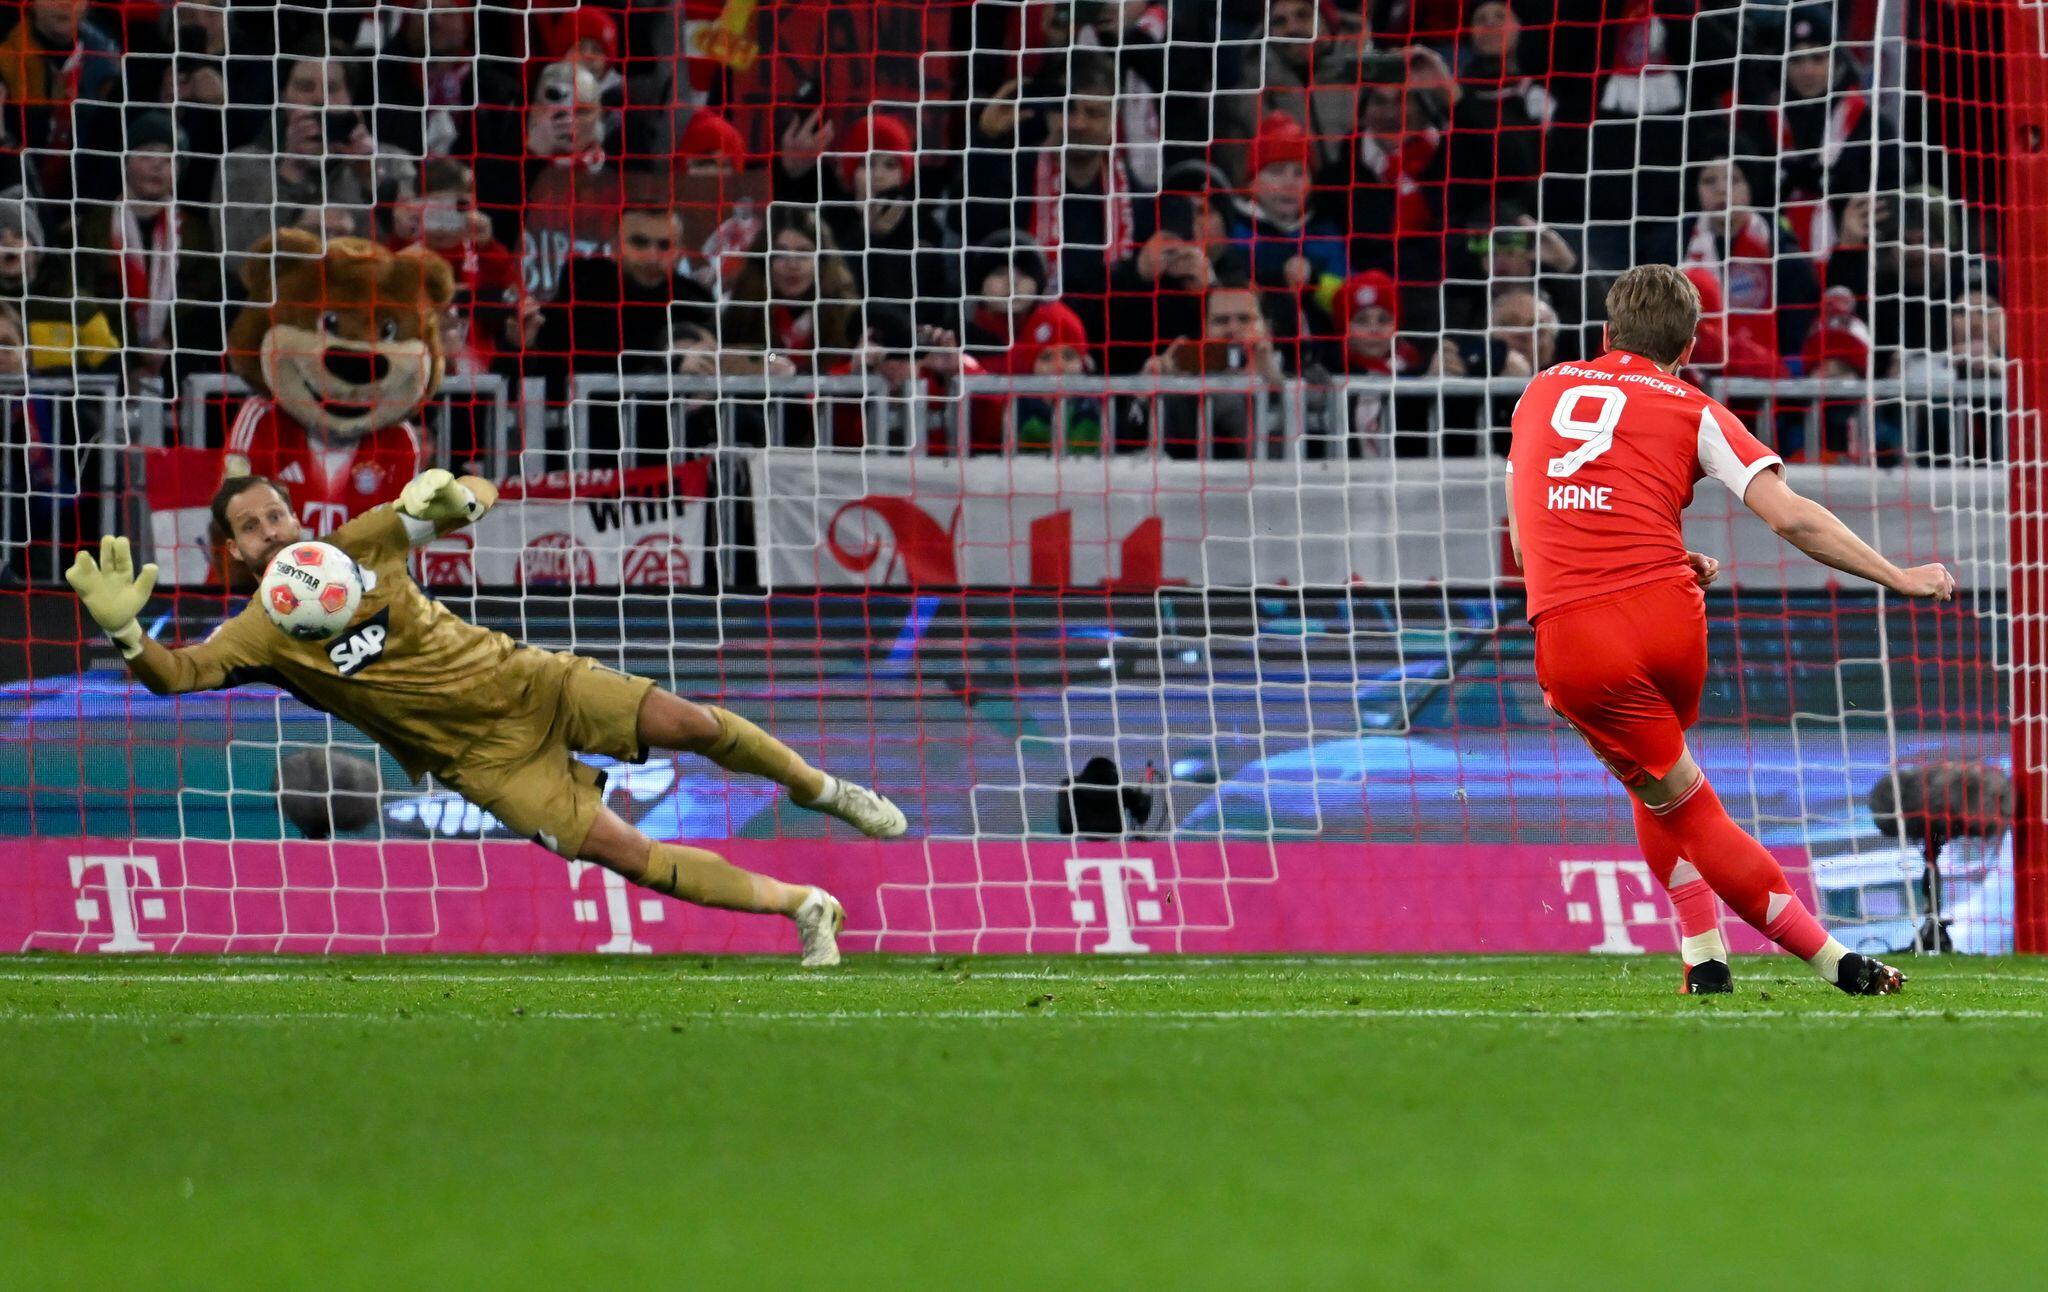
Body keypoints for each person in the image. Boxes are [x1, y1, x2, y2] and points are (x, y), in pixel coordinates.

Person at [63, 472, 909, 966]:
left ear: (298, 517)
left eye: (276, 514)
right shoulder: (256, 635)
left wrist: (455, 497)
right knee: (632, 857)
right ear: (235, 552)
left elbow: (469, 493)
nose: (270, 532)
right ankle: (805, 906)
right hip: (488, 766)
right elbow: (175, 677)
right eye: (251, 528)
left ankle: (820, 788)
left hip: (532, 681)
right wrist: (128, 633)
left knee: (690, 723)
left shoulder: (362, 542)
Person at [1506, 263, 1953, 997]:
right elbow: (1791, 517)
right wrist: (1898, 575)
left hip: (1582, 635)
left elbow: (1529, 545)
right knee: (1653, 773)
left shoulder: (1540, 391)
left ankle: (1836, 962)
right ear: (1688, 349)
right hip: (1670, 615)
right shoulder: (1695, 406)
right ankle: (1704, 956)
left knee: (1684, 804)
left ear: (1607, 334)